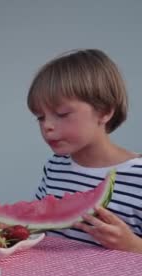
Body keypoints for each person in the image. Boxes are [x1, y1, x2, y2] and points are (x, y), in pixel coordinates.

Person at [28, 48, 142, 253]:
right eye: (40, 117)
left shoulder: (138, 176)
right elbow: (38, 220)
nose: (47, 126)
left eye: (61, 114)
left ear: (105, 111)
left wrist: (132, 245)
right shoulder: (55, 165)